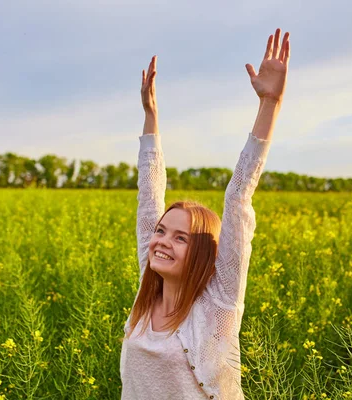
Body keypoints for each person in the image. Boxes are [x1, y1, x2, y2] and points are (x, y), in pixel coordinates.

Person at [120, 28, 291, 400]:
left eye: (180, 237)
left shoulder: (219, 305)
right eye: (162, 231)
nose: (161, 242)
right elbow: (149, 196)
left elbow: (238, 198)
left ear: (201, 252)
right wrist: (151, 116)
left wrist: (270, 104)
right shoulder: (147, 293)